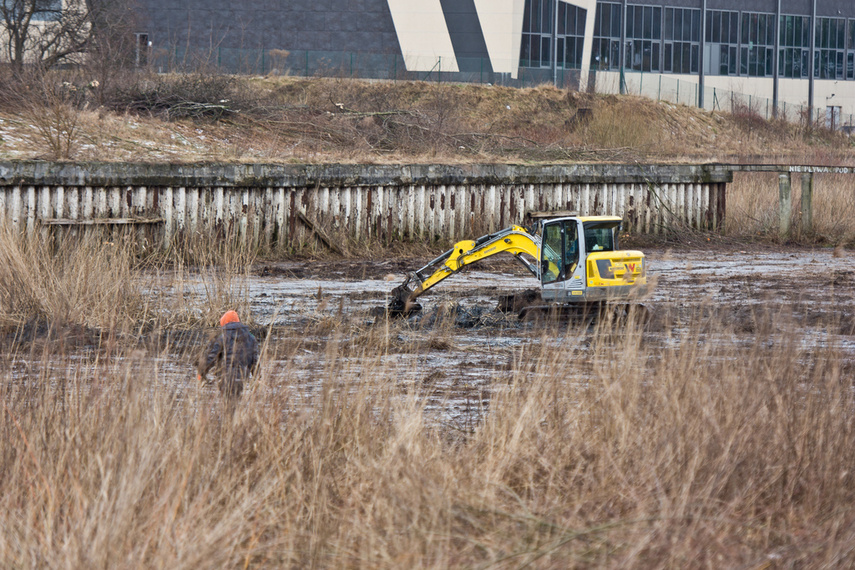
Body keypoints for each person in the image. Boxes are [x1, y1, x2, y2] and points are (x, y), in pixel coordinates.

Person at [197, 310, 258, 398]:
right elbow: (255, 361)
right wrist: (258, 378)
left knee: (227, 403)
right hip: (242, 377)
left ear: (225, 323)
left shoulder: (222, 338)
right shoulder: (251, 338)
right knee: (236, 401)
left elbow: (211, 357)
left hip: (225, 377)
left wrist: (201, 372)